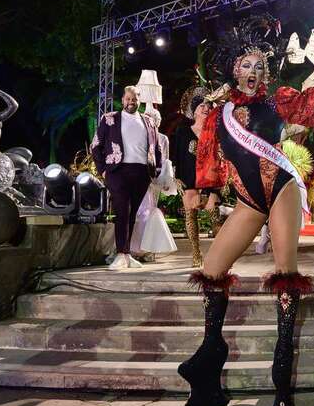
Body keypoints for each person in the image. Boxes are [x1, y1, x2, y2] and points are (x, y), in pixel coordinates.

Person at [178, 15, 314, 406]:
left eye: (258, 65)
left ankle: (282, 387)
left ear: (265, 72)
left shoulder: (278, 100)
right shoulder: (219, 114)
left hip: (281, 190)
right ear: (234, 70)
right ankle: (210, 356)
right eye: (245, 65)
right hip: (249, 201)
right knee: (212, 271)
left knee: (286, 277)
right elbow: (210, 159)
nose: (252, 71)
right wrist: (207, 191)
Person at [92, 86, 161, 269]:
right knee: (122, 210)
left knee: (132, 214)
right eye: (128, 99)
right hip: (117, 171)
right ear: (122, 100)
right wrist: (103, 170)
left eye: (135, 99)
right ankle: (121, 254)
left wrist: (156, 170)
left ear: (139, 101)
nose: (131, 102)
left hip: (142, 172)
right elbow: (96, 145)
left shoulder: (149, 121)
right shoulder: (109, 119)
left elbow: (157, 148)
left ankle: (127, 254)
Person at [172, 89, 220, 267]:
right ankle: (196, 253)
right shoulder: (182, 131)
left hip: (210, 181)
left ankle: (220, 254)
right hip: (189, 179)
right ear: (194, 111)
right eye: (202, 106)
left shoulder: (215, 131)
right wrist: (176, 177)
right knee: (191, 216)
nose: (206, 108)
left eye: (208, 105)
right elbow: (175, 156)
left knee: (215, 218)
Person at [129, 107, 178, 259]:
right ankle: (135, 248)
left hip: (155, 180)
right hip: (139, 178)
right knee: (139, 211)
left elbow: (166, 161)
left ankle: (147, 248)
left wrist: (166, 180)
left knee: (149, 212)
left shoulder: (163, 139)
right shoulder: (138, 136)